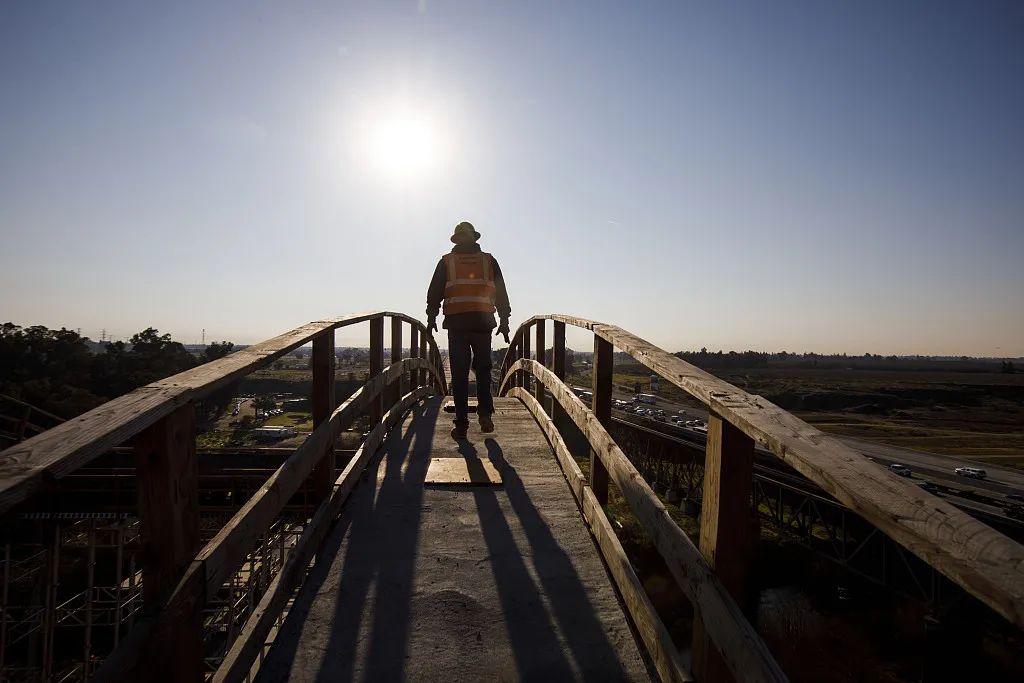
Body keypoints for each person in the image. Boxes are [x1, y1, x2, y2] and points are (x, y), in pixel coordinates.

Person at [426, 221, 511, 440]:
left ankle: (462, 424)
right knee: (483, 370)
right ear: (475, 238)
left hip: (457, 324)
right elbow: (501, 292)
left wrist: (431, 317)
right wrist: (504, 320)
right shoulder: (488, 261)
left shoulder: (447, 262)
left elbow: (434, 292)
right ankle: (485, 415)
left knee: (460, 373)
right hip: (483, 323)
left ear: (457, 239)